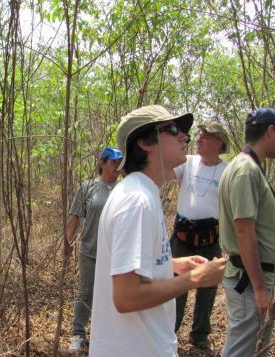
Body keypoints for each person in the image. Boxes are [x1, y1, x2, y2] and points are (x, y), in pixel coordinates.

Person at [89, 105, 226, 357]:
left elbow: (128, 269)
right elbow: (126, 297)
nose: (184, 136)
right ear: (145, 142)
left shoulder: (141, 193)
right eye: (173, 130)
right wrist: (194, 279)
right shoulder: (137, 202)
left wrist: (171, 264)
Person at [219, 108, 275, 357]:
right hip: (251, 283)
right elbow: (244, 230)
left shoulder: (248, 167)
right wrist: (260, 288)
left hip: (255, 279)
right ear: (271, 131)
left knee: (256, 350)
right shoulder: (246, 171)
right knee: (242, 352)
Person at [171, 122, 229, 349]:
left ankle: (200, 334)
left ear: (219, 143)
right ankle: (169, 332)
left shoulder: (226, 171)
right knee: (176, 285)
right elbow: (165, 171)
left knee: (208, 287)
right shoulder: (188, 162)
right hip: (182, 235)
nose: (200, 138)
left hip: (210, 237)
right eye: (200, 134)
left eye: (206, 135)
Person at [67, 147, 123, 353]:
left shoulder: (124, 189)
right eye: (113, 162)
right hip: (90, 251)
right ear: (102, 163)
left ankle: (108, 334)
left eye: (119, 162)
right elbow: (74, 216)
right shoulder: (88, 187)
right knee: (86, 294)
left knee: (113, 295)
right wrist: (68, 243)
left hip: (116, 254)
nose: (117, 166)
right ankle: (78, 334)